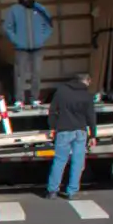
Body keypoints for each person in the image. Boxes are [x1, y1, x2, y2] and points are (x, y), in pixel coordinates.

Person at [45, 70, 97, 199]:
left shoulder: (61, 91)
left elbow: (52, 111)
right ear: (87, 81)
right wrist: (93, 135)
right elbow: (91, 116)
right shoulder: (87, 95)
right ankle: (72, 191)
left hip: (63, 129)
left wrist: (52, 127)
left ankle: (53, 190)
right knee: (77, 161)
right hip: (80, 131)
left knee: (60, 160)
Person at [3, 0, 54, 104]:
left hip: (38, 48)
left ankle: (34, 98)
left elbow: (49, 24)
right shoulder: (14, 10)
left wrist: (42, 38)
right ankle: (19, 99)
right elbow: (7, 27)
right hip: (21, 48)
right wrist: (16, 40)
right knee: (20, 74)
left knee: (36, 73)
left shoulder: (40, 9)